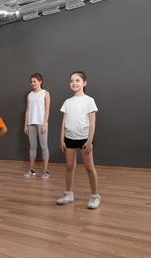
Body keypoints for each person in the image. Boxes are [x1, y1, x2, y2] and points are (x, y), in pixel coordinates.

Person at [57, 71, 101, 209]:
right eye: (71, 81)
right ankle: (68, 194)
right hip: (69, 138)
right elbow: (64, 122)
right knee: (69, 167)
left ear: (84, 83)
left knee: (89, 167)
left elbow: (93, 122)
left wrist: (89, 140)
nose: (74, 83)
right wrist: (62, 139)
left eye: (77, 80)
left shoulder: (89, 100)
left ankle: (95, 196)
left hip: (84, 139)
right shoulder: (67, 102)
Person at [23, 73, 51, 179]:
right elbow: (27, 110)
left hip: (41, 123)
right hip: (31, 123)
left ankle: (45, 170)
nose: (32, 83)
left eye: (34, 81)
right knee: (32, 146)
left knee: (44, 147)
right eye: (31, 81)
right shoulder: (29, 95)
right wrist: (25, 124)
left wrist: (44, 124)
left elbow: (47, 110)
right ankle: (31, 169)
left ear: (40, 81)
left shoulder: (45, 93)